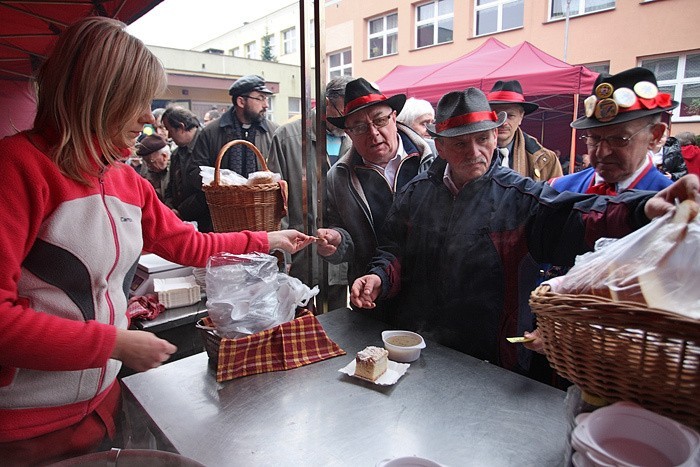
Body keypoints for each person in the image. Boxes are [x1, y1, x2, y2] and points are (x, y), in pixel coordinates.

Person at [0, 18, 314, 465]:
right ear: (97, 96)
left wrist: (266, 238)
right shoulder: (17, 169)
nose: (150, 119)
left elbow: (188, 245)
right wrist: (112, 343)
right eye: (136, 102)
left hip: (102, 409)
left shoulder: (127, 181)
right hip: (24, 431)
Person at [348, 86, 698, 382]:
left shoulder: (519, 196)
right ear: (440, 146)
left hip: (491, 358)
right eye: (460, 144)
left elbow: (581, 217)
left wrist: (641, 208)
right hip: (420, 345)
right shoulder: (417, 192)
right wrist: (379, 276)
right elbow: (394, 249)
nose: (475, 153)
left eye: (483, 139)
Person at [315, 78, 434, 317]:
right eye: (359, 127)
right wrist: (336, 241)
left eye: (380, 120)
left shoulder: (433, 160)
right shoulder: (338, 178)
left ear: (394, 117)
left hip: (432, 293)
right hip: (373, 294)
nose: (373, 133)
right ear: (348, 132)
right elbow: (342, 240)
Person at [267, 76, 353, 310]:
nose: (348, 121)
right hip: (299, 256)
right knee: (299, 324)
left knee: (337, 323)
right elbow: (275, 205)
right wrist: (280, 256)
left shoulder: (354, 139)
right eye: (344, 112)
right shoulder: (288, 138)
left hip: (338, 257)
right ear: (327, 103)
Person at [549, 68, 676, 195]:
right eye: (594, 138)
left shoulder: (673, 204)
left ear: (655, 136)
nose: (602, 152)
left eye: (618, 139)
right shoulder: (558, 191)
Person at [187, 74, 279, 232]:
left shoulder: (274, 132)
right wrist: (220, 183)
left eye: (266, 99)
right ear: (241, 101)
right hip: (221, 221)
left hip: (262, 221)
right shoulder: (211, 132)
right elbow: (194, 171)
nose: (266, 105)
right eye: (261, 98)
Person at [486, 80, 562, 182]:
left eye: (510, 116)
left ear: (521, 117)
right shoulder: (471, 153)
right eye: (497, 115)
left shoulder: (546, 160)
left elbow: (557, 196)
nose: (503, 122)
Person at [161, 106, 204, 219]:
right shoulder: (176, 154)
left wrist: (181, 211)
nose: (169, 136)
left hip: (203, 219)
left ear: (181, 127)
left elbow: (205, 190)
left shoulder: (206, 146)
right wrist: (170, 208)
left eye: (169, 130)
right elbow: (171, 186)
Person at [137, 134, 171, 203]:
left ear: (164, 156)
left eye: (151, 162)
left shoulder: (176, 167)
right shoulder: (147, 167)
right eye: (145, 162)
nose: (148, 166)